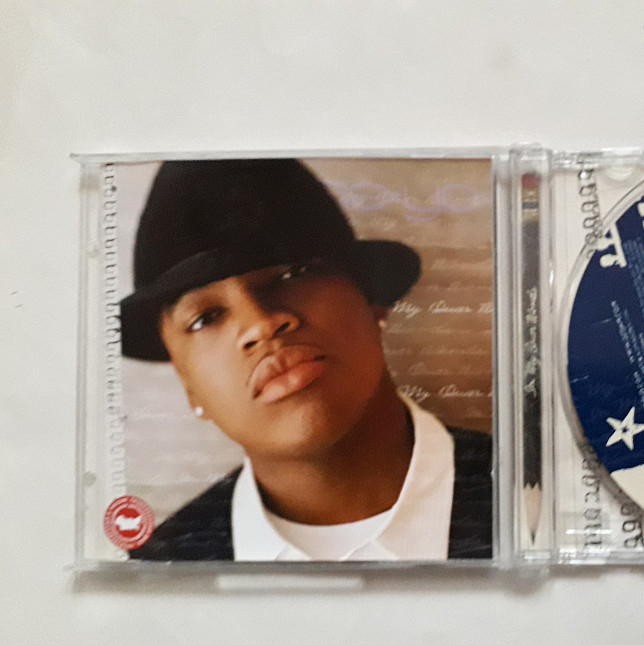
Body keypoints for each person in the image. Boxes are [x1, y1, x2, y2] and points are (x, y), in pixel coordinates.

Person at [119, 159, 493, 561]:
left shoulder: (529, 496)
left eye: (291, 275)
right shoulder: (157, 573)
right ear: (187, 383)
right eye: (206, 318)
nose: (260, 324)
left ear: (372, 300)